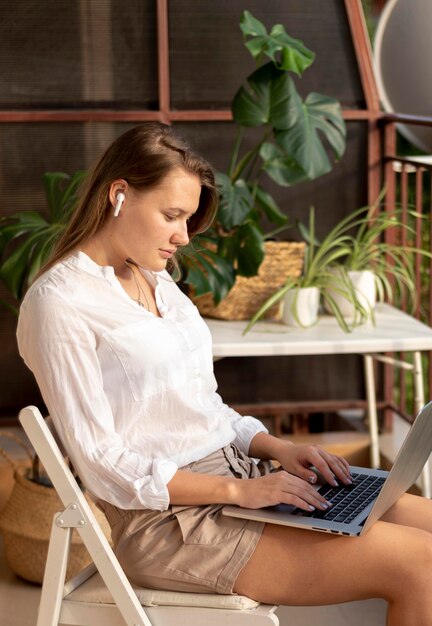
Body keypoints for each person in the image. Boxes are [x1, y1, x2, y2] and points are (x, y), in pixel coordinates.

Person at [17, 123, 432, 625]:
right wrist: (239, 493)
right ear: (120, 195)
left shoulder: (155, 279)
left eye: (188, 219)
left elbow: (205, 407)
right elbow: (104, 465)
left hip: (244, 478)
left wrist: (278, 450)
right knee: (419, 565)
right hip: (171, 525)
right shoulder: (60, 302)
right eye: (172, 215)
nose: (183, 236)